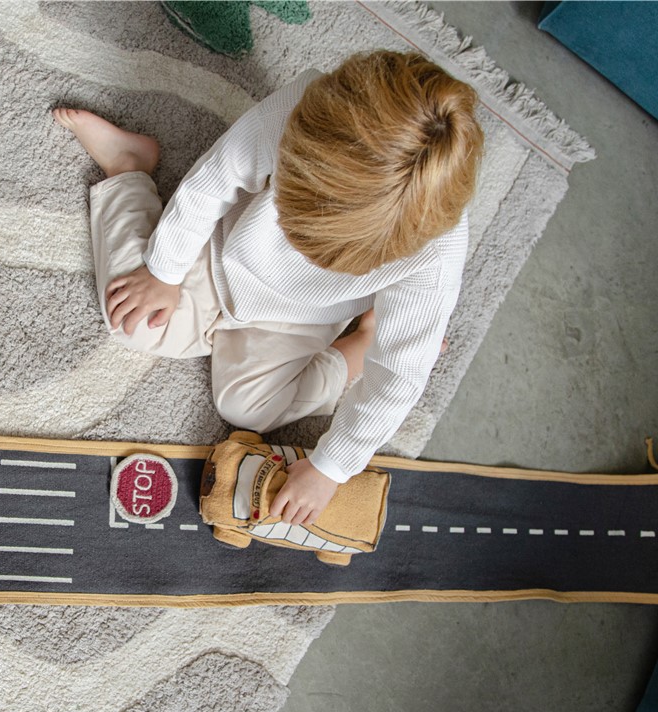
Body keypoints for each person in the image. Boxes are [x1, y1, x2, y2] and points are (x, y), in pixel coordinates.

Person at [52, 51, 483, 526]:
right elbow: (209, 184)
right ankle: (128, 168)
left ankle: (362, 342)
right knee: (131, 320)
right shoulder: (302, 112)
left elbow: (399, 378)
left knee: (248, 409)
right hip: (224, 257)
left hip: (301, 317)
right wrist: (163, 272)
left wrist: (330, 467)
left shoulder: (434, 257)